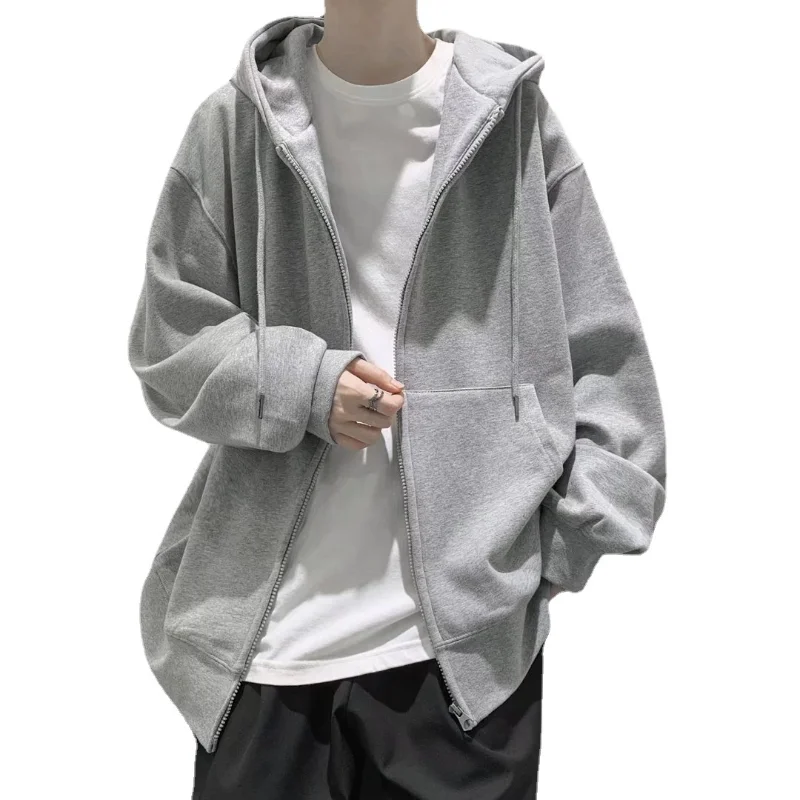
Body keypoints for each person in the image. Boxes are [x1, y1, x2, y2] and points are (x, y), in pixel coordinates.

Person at [128, 3, 667, 798]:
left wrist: (539, 563)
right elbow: (170, 344)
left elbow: (607, 363)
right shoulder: (236, 123)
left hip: (459, 664)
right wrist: (306, 385)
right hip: (265, 646)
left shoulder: (511, 121)